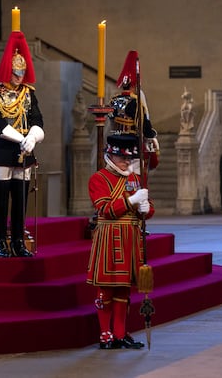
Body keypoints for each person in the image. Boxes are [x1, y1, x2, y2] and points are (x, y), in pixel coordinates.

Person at [86, 134, 154, 350]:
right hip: (110, 236)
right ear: (111, 156)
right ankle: (105, 334)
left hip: (131, 237)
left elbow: (147, 208)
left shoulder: (134, 178)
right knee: (106, 288)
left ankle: (120, 333)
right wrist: (131, 200)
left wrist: (147, 209)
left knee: (124, 289)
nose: (127, 162)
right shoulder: (98, 179)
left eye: (129, 159)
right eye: (123, 159)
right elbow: (104, 209)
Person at [0, 31, 44, 258]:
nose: (19, 77)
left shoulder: (28, 94)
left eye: (22, 73)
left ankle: (18, 240)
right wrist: (22, 139)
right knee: (1, 197)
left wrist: (33, 138)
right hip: (4, 147)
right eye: (16, 72)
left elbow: (37, 120)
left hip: (25, 149)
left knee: (21, 198)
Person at [108, 50, 159, 175]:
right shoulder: (135, 102)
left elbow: (110, 119)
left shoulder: (114, 100)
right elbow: (144, 127)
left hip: (114, 144)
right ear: (134, 85)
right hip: (131, 145)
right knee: (135, 179)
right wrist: (152, 135)